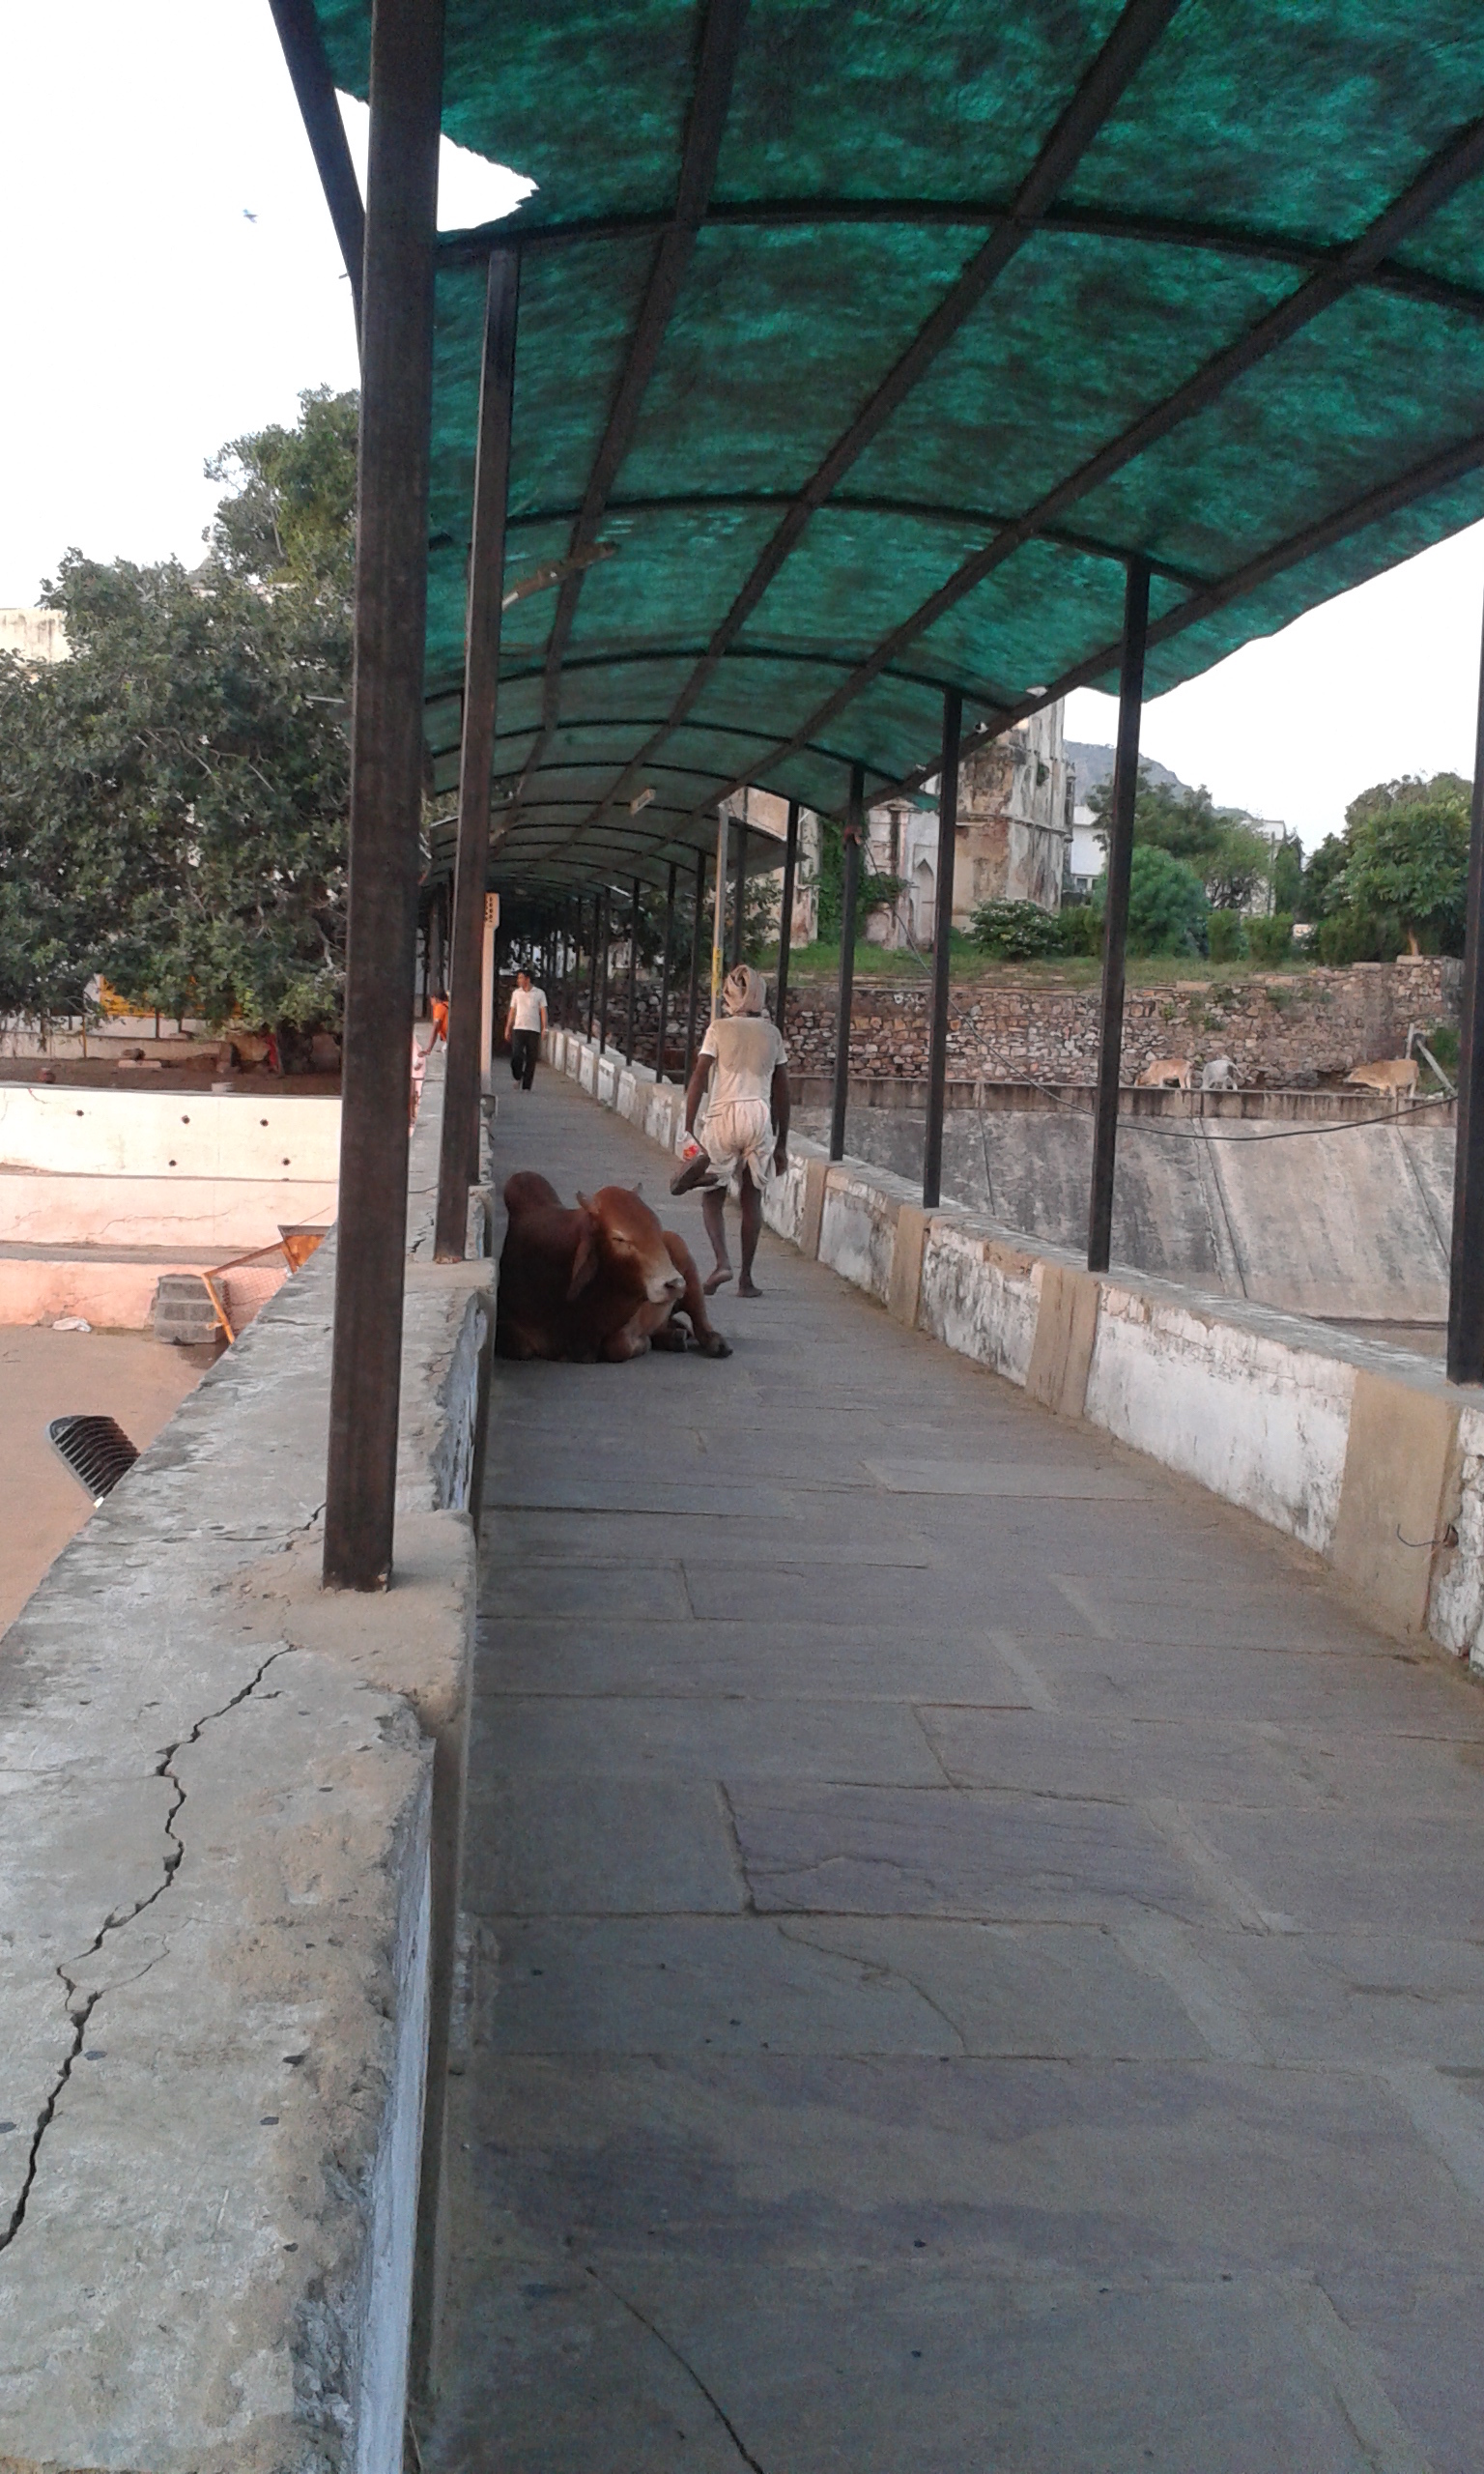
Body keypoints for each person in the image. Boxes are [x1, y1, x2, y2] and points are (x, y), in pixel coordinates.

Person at [671, 962, 789, 1298]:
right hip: (759, 1117)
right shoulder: (772, 1033)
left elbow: (699, 1077)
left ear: (729, 996)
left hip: (722, 1116)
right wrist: (782, 1143)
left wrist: (688, 1127)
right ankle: (746, 1279)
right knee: (752, 1199)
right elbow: (783, 1092)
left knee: (713, 1196)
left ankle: (722, 1262)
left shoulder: (718, 1029)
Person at [504, 966, 547, 1092]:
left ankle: (526, 1086)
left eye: (521, 978)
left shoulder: (539, 993)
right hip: (519, 1027)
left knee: (531, 1058)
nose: (518, 980)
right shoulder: (516, 993)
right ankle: (518, 1075)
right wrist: (508, 1028)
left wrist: (544, 1028)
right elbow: (512, 1011)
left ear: (527, 979)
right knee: (516, 1055)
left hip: (533, 1029)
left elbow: (543, 1011)